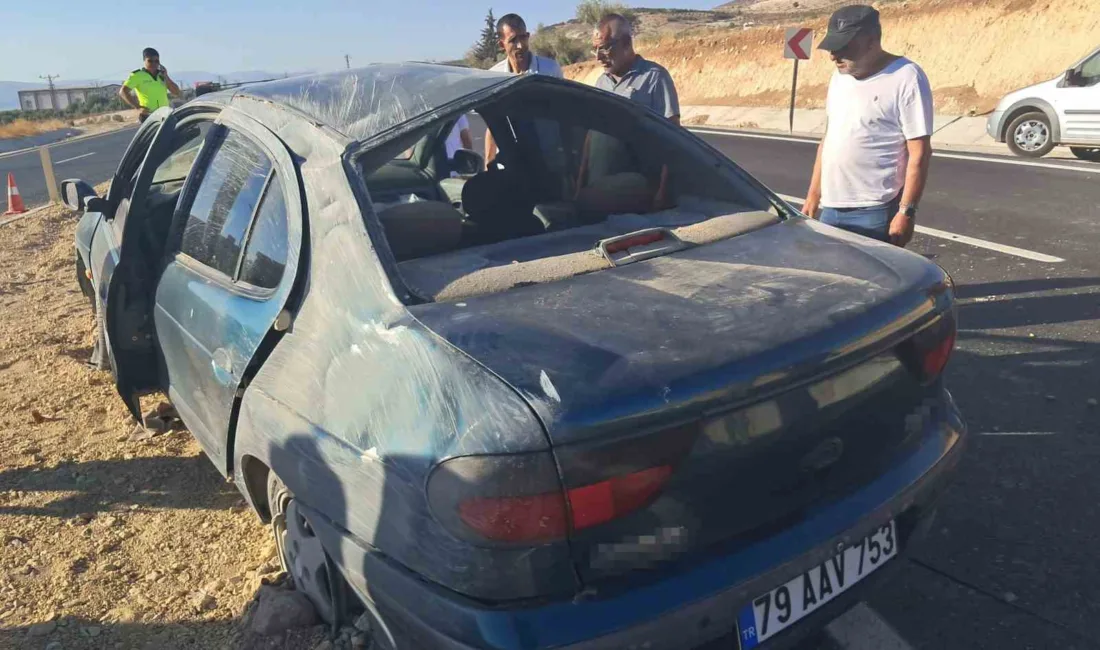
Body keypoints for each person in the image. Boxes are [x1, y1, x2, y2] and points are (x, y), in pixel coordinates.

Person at [803, 5, 933, 247]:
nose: (834, 56)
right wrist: (813, 196)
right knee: (837, 279)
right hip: (831, 207)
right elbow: (828, 140)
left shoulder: (906, 77)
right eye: (832, 47)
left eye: (844, 47)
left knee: (877, 283)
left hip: (875, 211)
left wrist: (906, 212)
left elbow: (920, 153)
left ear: (872, 42)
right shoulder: (839, 78)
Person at [576, 13, 680, 214]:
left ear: (626, 43)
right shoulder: (601, 82)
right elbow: (592, 137)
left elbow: (673, 137)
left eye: (604, 48)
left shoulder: (654, 77)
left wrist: (662, 192)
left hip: (637, 182)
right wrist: (579, 184)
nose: (598, 57)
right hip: (603, 184)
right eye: (594, 49)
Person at [484, 13, 563, 166]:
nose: (520, 45)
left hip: (548, 162)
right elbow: (493, 124)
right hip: (510, 164)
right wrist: (488, 163)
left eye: (523, 37)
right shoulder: (493, 77)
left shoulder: (550, 70)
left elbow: (563, 115)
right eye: (513, 40)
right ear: (502, 45)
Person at [119, 47, 181, 123]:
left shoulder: (161, 75)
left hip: (165, 115)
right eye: (150, 61)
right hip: (149, 116)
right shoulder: (137, 75)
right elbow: (123, 91)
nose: (153, 64)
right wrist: (137, 107)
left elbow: (176, 92)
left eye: (156, 61)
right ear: (144, 61)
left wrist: (166, 77)